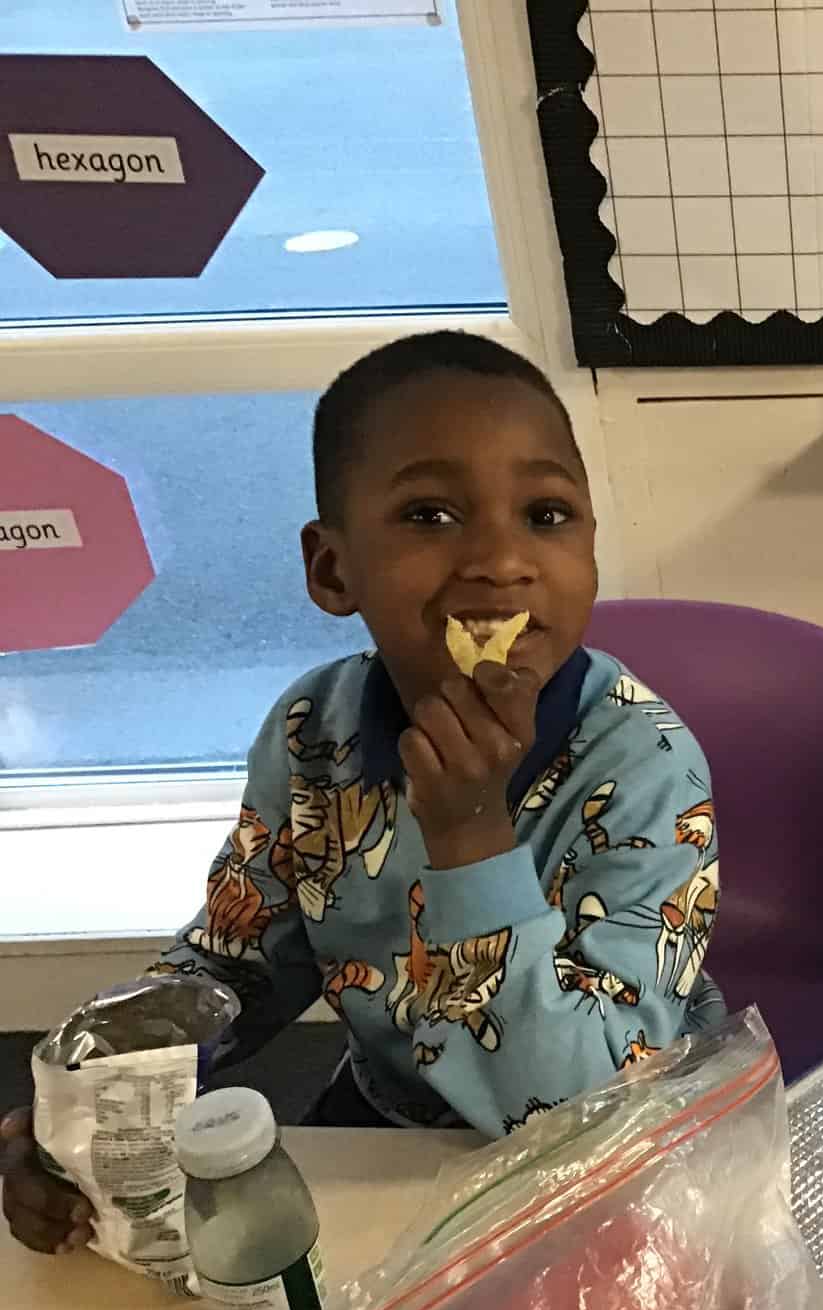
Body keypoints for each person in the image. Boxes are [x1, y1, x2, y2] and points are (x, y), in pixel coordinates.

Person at [4, 332, 725, 1253]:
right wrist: (97, 1098)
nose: (501, 560)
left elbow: (580, 1110)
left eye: (546, 514)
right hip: (395, 1114)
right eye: (430, 515)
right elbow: (239, 960)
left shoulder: (645, 766)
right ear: (332, 570)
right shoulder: (314, 733)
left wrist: (472, 841)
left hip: (608, 1138)